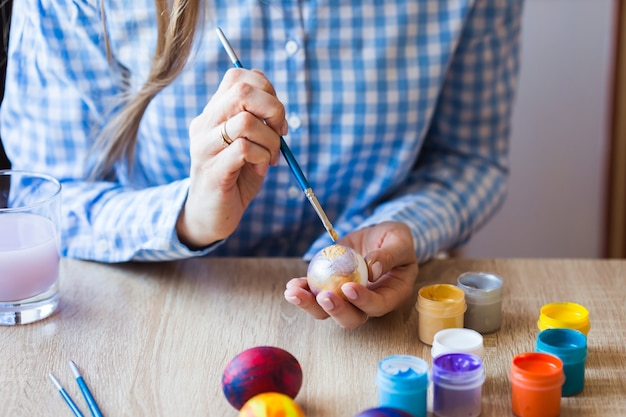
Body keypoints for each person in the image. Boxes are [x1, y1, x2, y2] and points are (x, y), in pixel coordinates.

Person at [0, 0, 523, 328]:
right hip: (153, 318)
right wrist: (188, 216)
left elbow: (468, 158)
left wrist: (410, 228)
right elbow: (49, 199)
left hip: (385, 325)